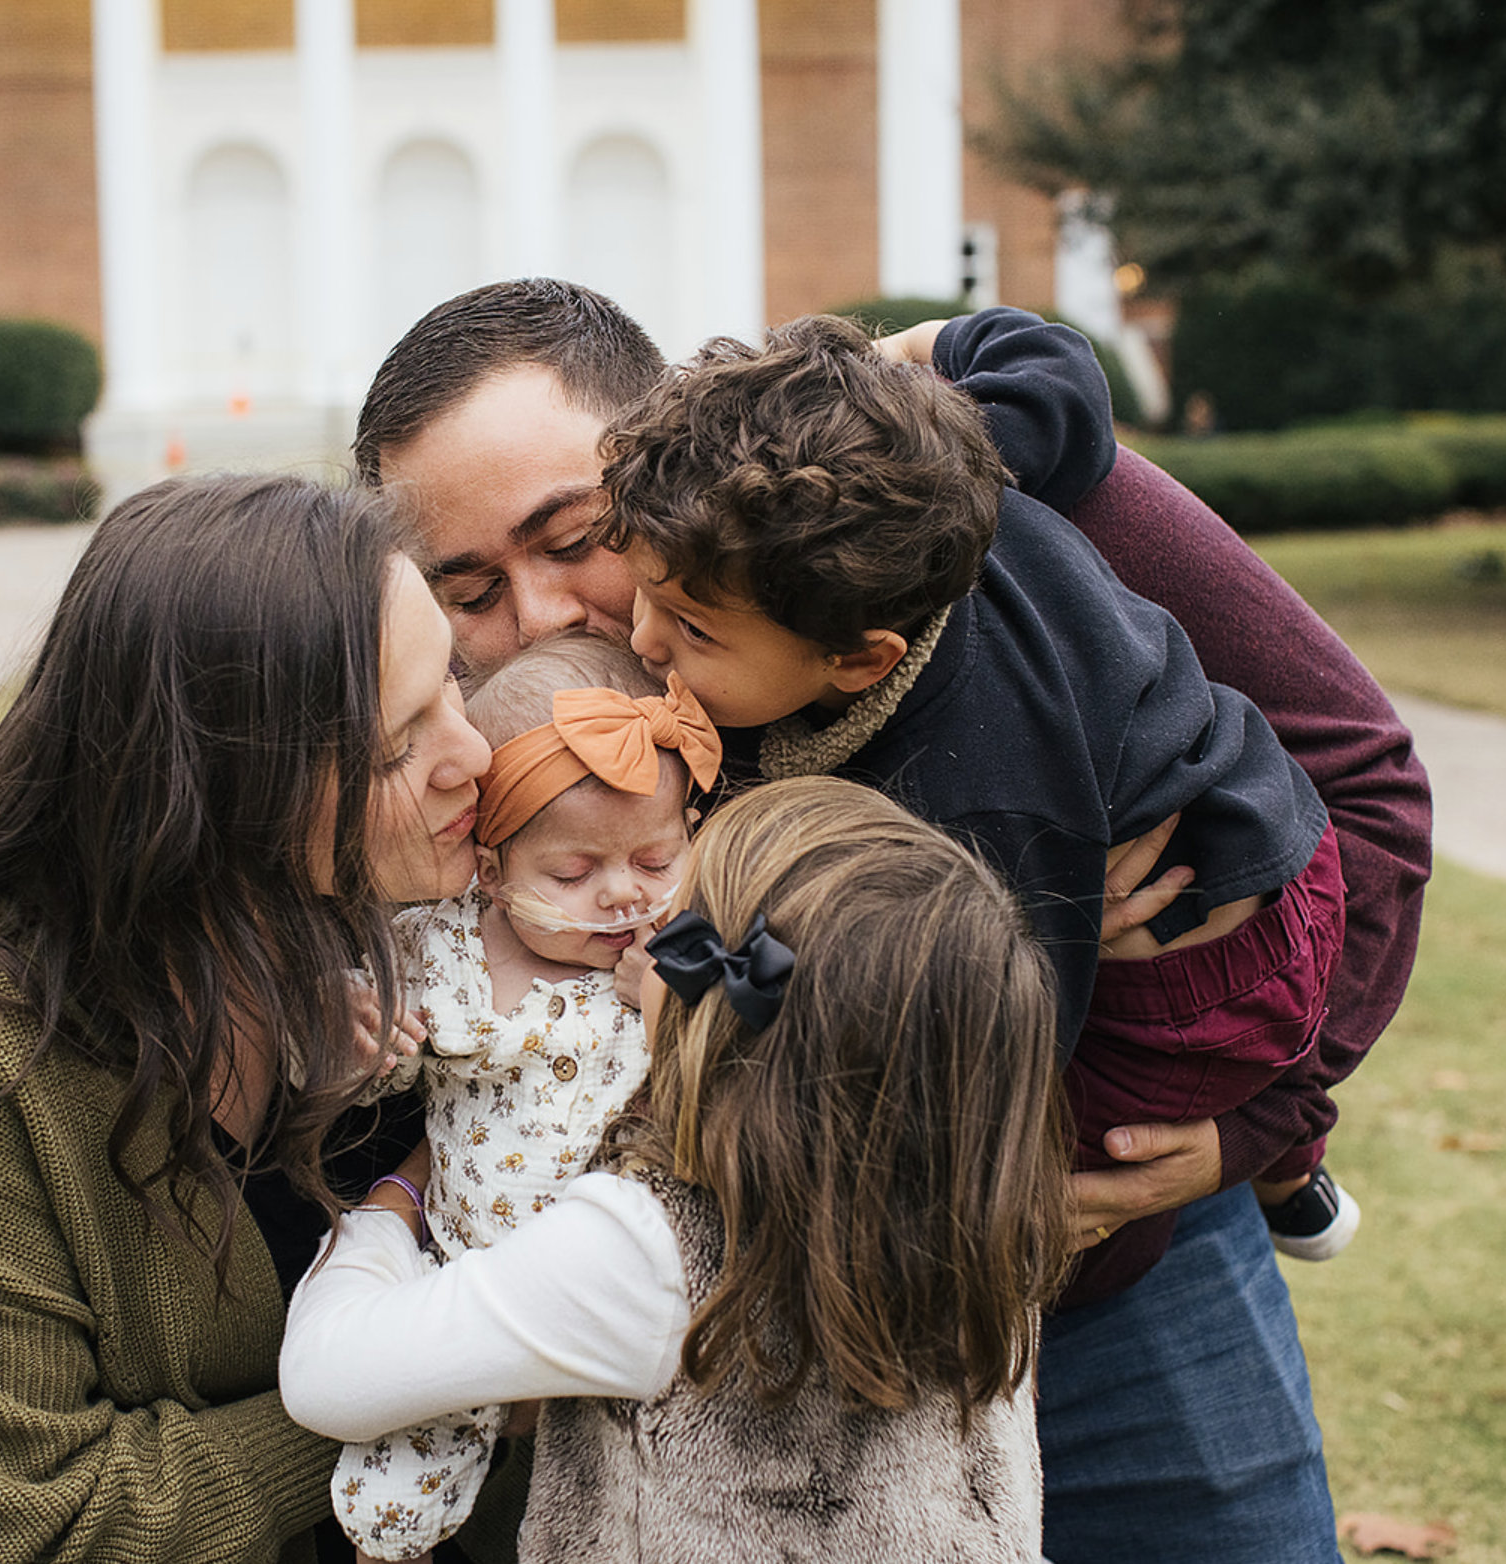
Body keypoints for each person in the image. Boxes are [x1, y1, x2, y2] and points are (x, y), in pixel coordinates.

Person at [355, 279, 1435, 1562]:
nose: (540, 614)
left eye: (574, 535)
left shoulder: (936, 511)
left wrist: (1254, 1125)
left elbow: (1363, 785)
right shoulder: (453, 742)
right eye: (470, 587)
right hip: (729, 1374)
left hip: (1117, 1293)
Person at [0, 474, 512, 1563]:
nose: (474, 756)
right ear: (220, 784)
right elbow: (18, 1531)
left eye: (451, 684)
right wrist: (447, 1384)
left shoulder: (393, 918)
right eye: (395, 746)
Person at [598, 310, 1349, 1301]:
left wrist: (700, 982)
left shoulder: (976, 802)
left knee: (963, 1195)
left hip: (1200, 976)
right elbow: (1054, 368)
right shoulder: (936, 482)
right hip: (1223, 817)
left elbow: (999, 1036)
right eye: (641, 589)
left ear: (860, 660)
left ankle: (1275, 1158)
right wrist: (884, 369)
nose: (642, 639)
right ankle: (1296, 1172)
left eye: (691, 627)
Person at [283, 776, 1075, 1563]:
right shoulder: (982, 1210)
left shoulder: (651, 1252)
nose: (642, 932)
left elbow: (330, 1377)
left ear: (723, 1001)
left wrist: (392, 1206)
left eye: (680, 926)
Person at [332, 633, 717, 1560]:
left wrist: (683, 1009)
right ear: (494, 872)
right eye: (572, 875)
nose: (622, 896)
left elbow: (763, 1075)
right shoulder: (440, 950)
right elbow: (377, 1063)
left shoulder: (690, 949)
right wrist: (356, 1035)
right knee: (390, 1488)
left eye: (654, 859)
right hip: (468, 1281)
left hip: (636, 1300)